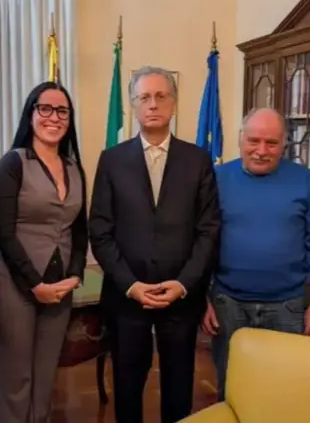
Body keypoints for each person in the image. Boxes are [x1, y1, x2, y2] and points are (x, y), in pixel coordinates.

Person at [89, 65, 220, 423]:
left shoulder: (197, 160)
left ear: (174, 103)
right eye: (144, 97)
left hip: (181, 296)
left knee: (179, 386)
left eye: (161, 96)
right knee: (127, 385)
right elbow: (100, 230)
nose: (153, 104)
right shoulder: (112, 160)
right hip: (127, 296)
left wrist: (184, 283)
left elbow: (209, 230)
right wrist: (130, 285)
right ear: (132, 105)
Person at [201, 108, 310, 400]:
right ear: (240, 139)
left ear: (284, 144)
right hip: (228, 305)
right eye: (254, 141)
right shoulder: (216, 179)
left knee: (283, 394)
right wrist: (202, 297)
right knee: (232, 389)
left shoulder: (304, 181)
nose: (261, 151)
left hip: (288, 307)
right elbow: (201, 243)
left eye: (271, 143)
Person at [0, 81, 88, 422]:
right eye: (45, 108)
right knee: (17, 380)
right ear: (30, 114)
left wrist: (75, 274)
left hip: (59, 287)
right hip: (15, 285)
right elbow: (2, 232)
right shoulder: (12, 164)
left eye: (62, 111)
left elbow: (79, 228)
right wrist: (34, 283)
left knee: (45, 378)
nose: (54, 117)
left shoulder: (74, 168)